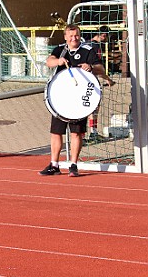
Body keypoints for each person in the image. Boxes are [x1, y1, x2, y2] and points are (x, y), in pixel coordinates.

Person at [39, 24, 114, 177]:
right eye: (71, 36)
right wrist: (58, 61)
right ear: (65, 37)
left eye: (76, 35)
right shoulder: (61, 49)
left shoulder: (87, 50)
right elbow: (49, 61)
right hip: (61, 99)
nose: (74, 38)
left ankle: (73, 164)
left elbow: (101, 69)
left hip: (80, 98)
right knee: (56, 132)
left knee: (76, 134)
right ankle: (54, 164)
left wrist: (91, 67)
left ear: (80, 36)